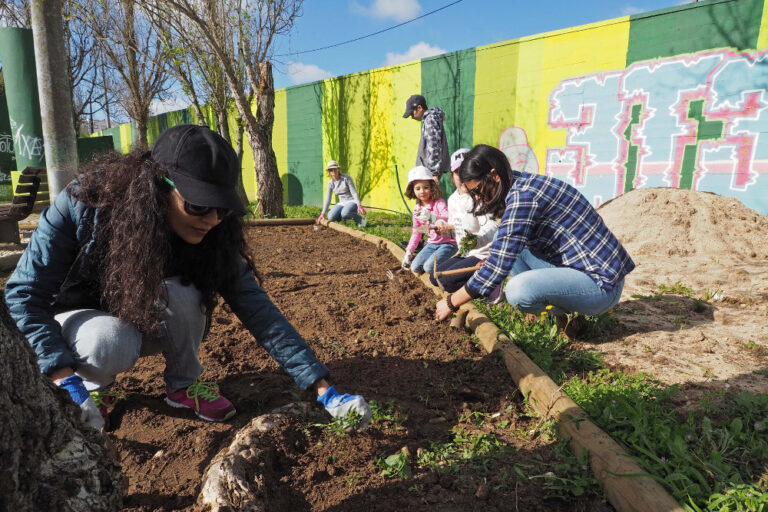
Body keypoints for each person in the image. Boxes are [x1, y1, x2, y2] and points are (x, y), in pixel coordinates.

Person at [5, 124, 372, 431]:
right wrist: (63, 379)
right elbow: (23, 296)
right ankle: (91, 387)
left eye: (223, 209)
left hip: (143, 315)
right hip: (81, 322)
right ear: (157, 186)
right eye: (198, 204)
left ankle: (183, 385)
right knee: (109, 341)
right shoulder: (85, 204)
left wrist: (324, 388)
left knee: (186, 294)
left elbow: (257, 309)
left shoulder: (213, 233)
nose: (212, 219)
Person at [434, 144, 635, 332]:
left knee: (517, 291)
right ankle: (564, 315)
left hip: (601, 285)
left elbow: (497, 267)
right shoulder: (520, 183)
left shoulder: (523, 198)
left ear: (494, 175)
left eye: (478, 190)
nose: (477, 197)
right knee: (501, 240)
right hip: (581, 268)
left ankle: (566, 313)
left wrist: (451, 302)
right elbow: (505, 247)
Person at [429, 149, 499, 298]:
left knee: (446, 282)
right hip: (465, 252)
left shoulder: (479, 197)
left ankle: (491, 284)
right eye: (457, 173)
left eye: (464, 172)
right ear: (452, 176)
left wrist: (476, 240)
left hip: (482, 254)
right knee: (433, 278)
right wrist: (443, 226)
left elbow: (492, 227)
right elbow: (455, 227)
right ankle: (481, 283)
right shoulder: (453, 199)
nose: (461, 177)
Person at [402, 165, 456, 274]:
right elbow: (417, 232)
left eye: (426, 187)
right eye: (418, 188)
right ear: (412, 190)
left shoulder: (438, 203)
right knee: (415, 267)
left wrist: (430, 217)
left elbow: (447, 217)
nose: (422, 191)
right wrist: (409, 252)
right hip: (432, 243)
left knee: (429, 268)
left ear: (432, 187)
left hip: (449, 243)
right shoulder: (417, 210)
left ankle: (453, 263)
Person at [402, 94, 449, 180]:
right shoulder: (432, 118)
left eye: (412, 113)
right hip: (430, 171)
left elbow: (434, 145)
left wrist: (434, 173)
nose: (412, 117)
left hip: (430, 173)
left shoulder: (430, 120)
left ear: (419, 108)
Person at [317, 160, 367, 227]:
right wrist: (322, 213)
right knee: (330, 216)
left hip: (352, 201)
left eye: (335, 168)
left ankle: (361, 220)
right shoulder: (330, 183)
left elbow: (354, 192)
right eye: (331, 170)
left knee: (345, 213)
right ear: (329, 171)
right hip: (341, 203)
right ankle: (345, 221)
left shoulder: (346, 178)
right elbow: (327, 200)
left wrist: (359, 205)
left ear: (338, 169)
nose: (333, 171)